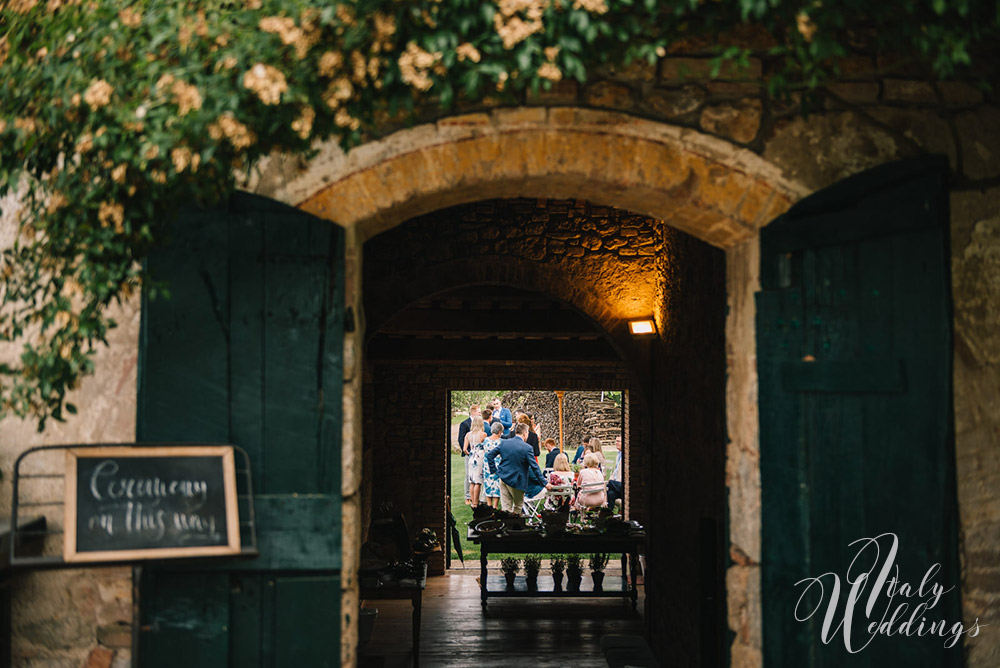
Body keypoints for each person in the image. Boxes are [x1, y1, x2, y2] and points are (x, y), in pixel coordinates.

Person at [487, 423, 545, 513]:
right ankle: (515, 525)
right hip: (517, 480)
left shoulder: (504, 443)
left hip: (503, 479)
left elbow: (490, 455)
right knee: (518, 506)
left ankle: (507, 526)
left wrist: (494, 471)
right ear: (525, 433)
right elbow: (535, 467)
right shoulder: (527, 448)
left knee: (506, 507)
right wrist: (544, 482)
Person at [457, 404, 480, 504]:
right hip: (469, 453)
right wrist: (468, 451)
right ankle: (468, 497)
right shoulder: (465, 423)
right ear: (473, 412)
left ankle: (476, 497)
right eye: (478, 412)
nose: (480, 414)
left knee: (477, 475)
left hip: (478, 455)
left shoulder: (479, 424)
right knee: (468, 475)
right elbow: (461, 439)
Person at [464, 416, 487, 506]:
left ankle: (473, 502)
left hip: (471, 458)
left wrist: (470, 454)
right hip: (479, 458)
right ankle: (476, 502)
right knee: (478, 481)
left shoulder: (468, 435)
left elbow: (464, 449)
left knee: (472, 481)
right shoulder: (483, 434)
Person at [481, 422, 504, 508]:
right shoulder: (501, 441)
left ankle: (489, 505)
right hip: (497, 464)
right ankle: (495, 506)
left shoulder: (486, 440)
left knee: (488, 484)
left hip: (487, 465)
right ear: (499, 432)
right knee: (496, 485)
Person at [607, 435, 624, 511]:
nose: (616, 443)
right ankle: (609, 514)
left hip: (622, 485)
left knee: (609, 483)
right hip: (617, 484)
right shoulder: (618, 455)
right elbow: (616, 471)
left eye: (618, 441)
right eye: (616, 441)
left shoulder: (626, 456)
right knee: (610, 494)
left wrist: (610, 481)